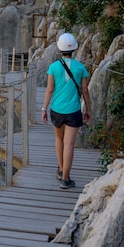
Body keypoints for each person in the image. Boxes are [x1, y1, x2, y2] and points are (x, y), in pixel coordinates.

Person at [41, 33, 91, 190]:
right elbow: (85, 90)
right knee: (69, 143)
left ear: (59, 49)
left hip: (56, 110)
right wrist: (88, 109)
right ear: (74, 48)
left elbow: (49, 89)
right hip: (74, 111)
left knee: (59, 139)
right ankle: (65, 178)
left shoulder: (53, 67)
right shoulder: (80, 67)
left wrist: (43, 108)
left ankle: (61, 168)